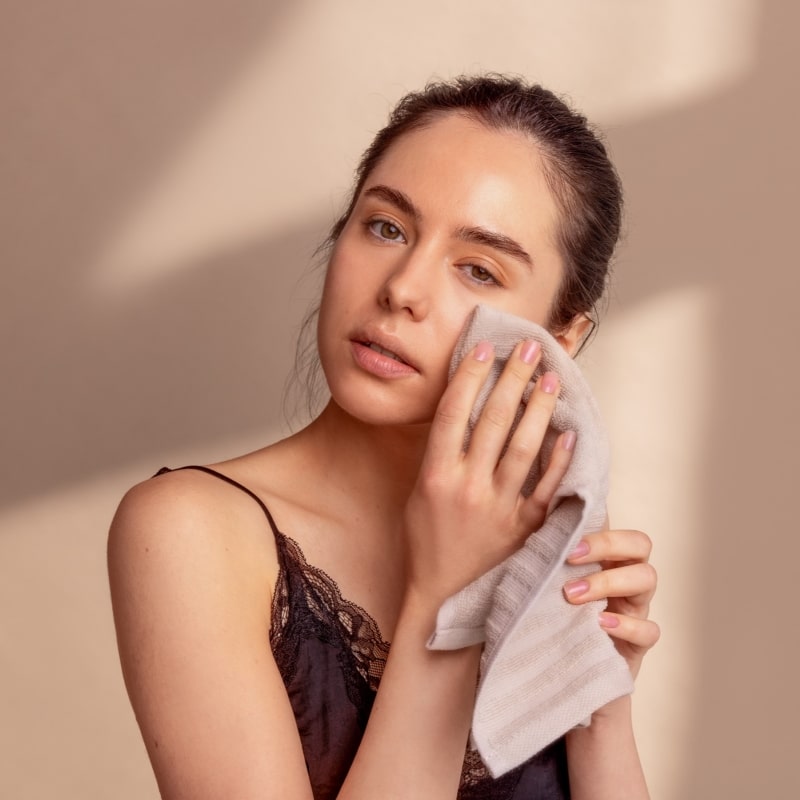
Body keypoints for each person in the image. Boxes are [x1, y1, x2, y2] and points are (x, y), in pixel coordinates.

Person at [108, 74, 659, 799]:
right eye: (386, 227)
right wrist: (446, 598)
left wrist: (600, 702)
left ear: (559, 338)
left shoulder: (551, 543)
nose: (403, 287)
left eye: (477, 269)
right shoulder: (188, 531)